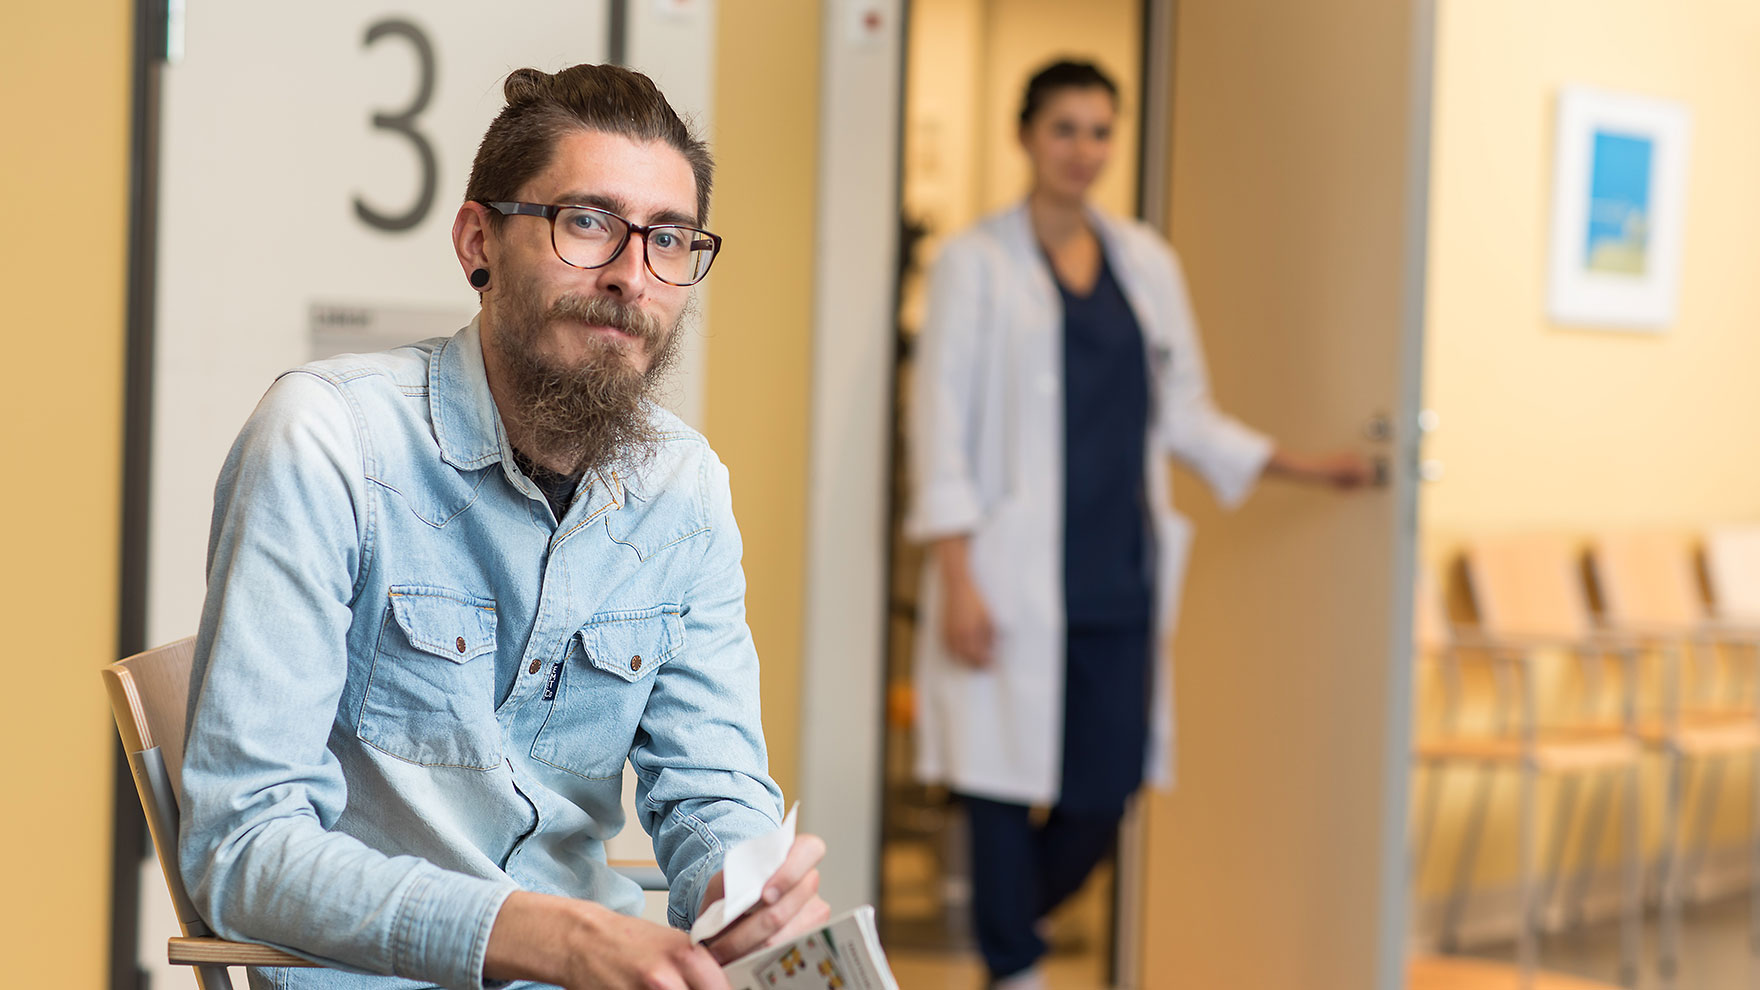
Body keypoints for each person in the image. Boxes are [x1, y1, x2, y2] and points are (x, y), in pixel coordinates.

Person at [178, 64, 828, 990]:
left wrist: (736, 886)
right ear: (477, 240)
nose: (629, 278)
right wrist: (551, 940)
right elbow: (241, 846)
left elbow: (712, 786)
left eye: (669, 239)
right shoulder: (329, 441)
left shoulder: (686, 491)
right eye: (588, 222)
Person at [904, 60, 1370, 989]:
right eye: (1065, 129)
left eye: (1101, 131)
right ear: (1026, 135)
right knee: (995, 783)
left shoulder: (1149, 264)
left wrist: (1303, 467)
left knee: (1102, 793)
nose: (1085, 150)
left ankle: (1012, 937)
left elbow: (1188, 414)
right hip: (1004, 566)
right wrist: (958, 579)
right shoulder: (976, 263)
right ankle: (1015, 968)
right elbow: (939, 426)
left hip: (1118, 570)